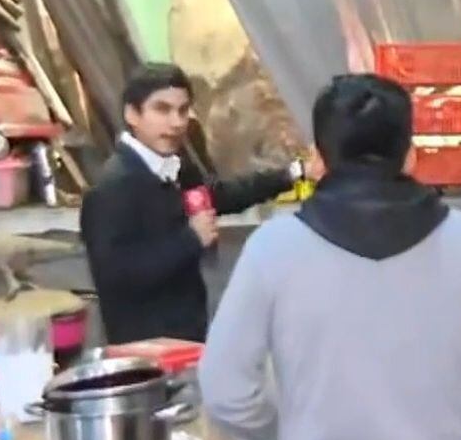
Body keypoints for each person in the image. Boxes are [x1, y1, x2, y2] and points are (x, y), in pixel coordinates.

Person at [200, 73, 461, 440]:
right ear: (411, 157)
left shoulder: (272, 249)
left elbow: (224, 385)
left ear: (318, 160)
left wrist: (278, 436)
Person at [80, 63, 303, 344]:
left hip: (186, 339)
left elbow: (219, 196)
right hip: (145, 350)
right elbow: (116, 276)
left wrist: (293, 173)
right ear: (132, 114)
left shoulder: (173, 169)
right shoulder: (111, 188)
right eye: (162, 110)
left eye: (183, 111)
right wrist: (190, 239)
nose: (176, 122)